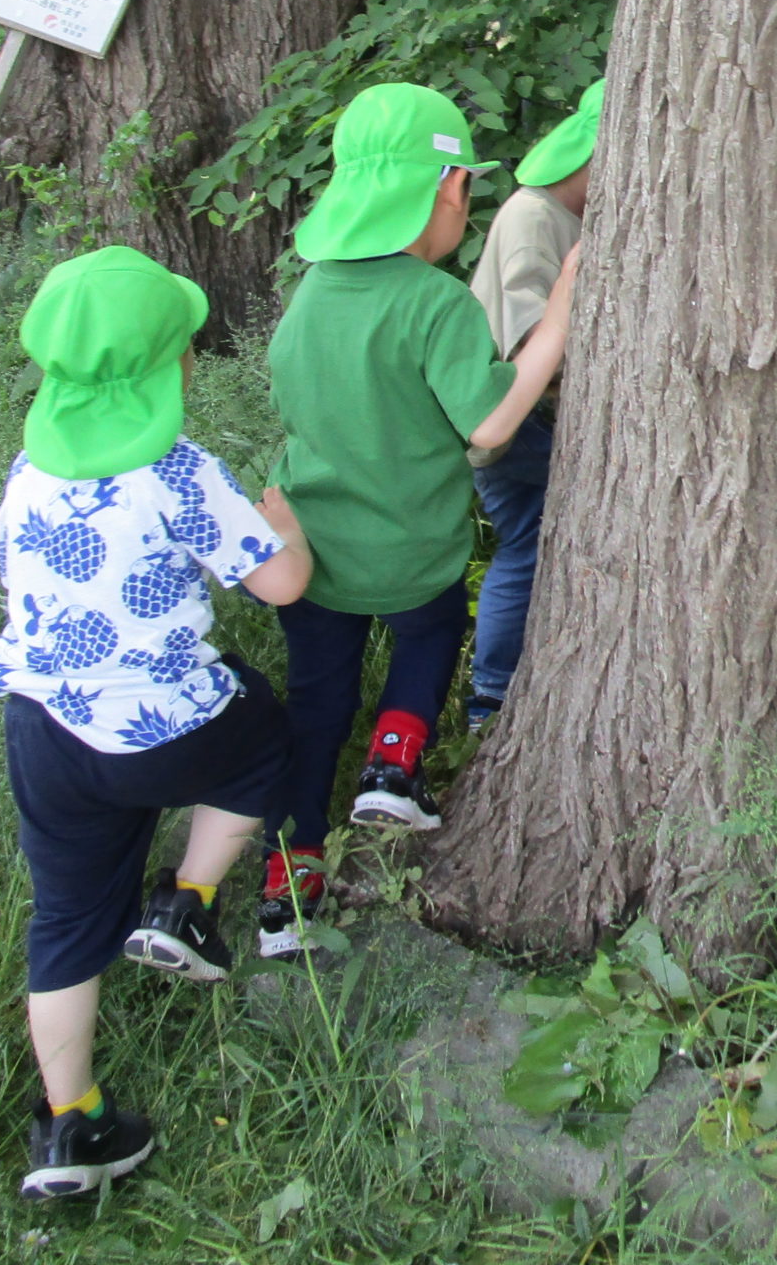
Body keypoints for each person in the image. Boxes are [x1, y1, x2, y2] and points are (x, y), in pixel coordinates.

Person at [0, 244, 315, 1201]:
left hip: (46, 729)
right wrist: (286, 527)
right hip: (166, 726)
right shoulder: (178, 471)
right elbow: (282, 585)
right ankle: (185, 905)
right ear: (170, 366)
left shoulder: (27, 471)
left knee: (65, 919)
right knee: (265, 738)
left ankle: (72, 1125)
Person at [261, 82, 575, 953]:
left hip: (314, 555)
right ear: (446, 189)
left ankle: (288, 884)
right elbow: (491, 421)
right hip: (411, 553)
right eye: (467, 188)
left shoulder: (310, 296)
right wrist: (559, 311)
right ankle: (395, 762)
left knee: (314, 708)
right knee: (432, 631)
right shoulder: (435, 304)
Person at [464, 78, 600, 725]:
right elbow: (527, 337)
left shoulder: (567, 216)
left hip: (530, 416)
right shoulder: (534, 217)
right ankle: (491, 694)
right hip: (513, 419)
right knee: (528, 543)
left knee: (536, 542)